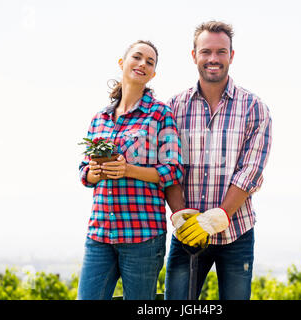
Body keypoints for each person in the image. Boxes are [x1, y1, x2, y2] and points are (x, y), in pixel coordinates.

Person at [164, 21, 272, 300]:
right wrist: (180, 218)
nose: (213, 59)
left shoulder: (254, 108)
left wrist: (218, 217)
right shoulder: (174, 107)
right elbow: (169, 167)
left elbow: (250, 172)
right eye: (206, 52)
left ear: (231, 56)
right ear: (194, 56)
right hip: (186, 236)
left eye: (221, 52)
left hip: (237, 233)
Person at [77, 40, 183, 300]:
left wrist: (128, 170)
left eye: (150, 62)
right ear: (122, 63)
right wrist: (94, 171)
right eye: (137, 57)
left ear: (153, 74)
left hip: (143, 236)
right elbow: (84, 172)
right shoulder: (99, 118)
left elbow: (173, 170)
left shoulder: (159, 114)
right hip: (100, 232)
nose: (143, 64)